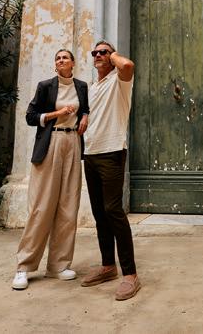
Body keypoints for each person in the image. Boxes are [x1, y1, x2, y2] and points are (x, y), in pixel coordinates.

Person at [11, 49, 89, 290]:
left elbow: (85, 108)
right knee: (41, 206)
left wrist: (84, 116)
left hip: (73, 143)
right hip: (50, 142)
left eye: (65, 57)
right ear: (55, 64)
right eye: (57, 58)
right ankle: (24, 267)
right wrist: (57, 114)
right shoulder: (45, 86)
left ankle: (58, 265)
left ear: (73, 63)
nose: (61, 60)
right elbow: (30, 117)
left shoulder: (81, 86)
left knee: (68, 206)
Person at [80, 41, 141, 301]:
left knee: (113, 210)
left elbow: (127, 65)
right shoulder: (93, 87)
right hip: (91, 153)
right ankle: (108, 266)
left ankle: (131, 274)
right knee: (99, 213)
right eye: (95, 53)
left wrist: (112, 54)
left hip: (112, 152)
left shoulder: (120, 81)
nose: (98, 55)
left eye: (102, 52)